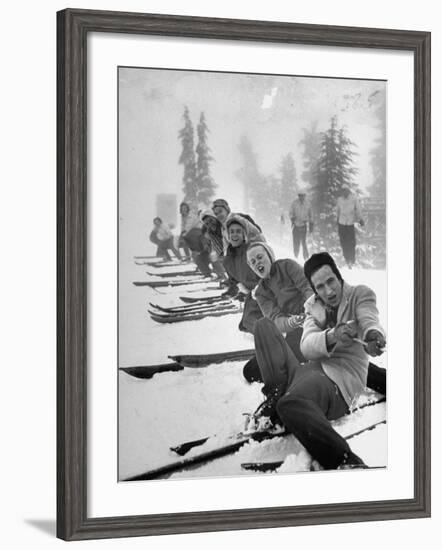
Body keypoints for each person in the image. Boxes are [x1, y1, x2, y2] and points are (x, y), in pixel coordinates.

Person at [252, 252, 386, 469]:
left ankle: (345, 460)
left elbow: (368, 317)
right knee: (263, 327)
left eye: (331, 281)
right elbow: (306, 346)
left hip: (337, 381)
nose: (329, 290)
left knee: (290, 404)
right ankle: (275, 395)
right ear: (314, 289)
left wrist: (372, 334)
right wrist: (331, 334)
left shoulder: (360, 294)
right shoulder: (313, 306)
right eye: (320, 286)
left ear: (339, 275)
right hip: (307, 370)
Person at [243, 242, 313, 381]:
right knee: (252, 370)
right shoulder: (261, 293)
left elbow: (307, 287)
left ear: (269, 256)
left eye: (260, 257)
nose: (257, 263)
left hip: (315, 317)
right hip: (296, 330)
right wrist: (290, 322)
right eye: (253, 262)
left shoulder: (288, 266)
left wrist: (310, 310)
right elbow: (275, 319)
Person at [222, 215, 264, 333]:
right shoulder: (228, 260)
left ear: (244, 234)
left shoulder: (252, 251)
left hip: (265, 292)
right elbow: (233, 278)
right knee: (247, 323)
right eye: (232, 232)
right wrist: (234, 286)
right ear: (227, 235)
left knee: (252, 321)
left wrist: (258, 289)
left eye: (238, 232)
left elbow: (267, 273)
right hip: (252, 295)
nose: (235, 235)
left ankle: (274, 339)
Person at [336, 185, 364, 268]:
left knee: (351, 243)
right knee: (343, 242)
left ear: (348, 191)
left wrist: (360, 219)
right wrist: (337, 220)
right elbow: (338, 210)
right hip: (341, 223)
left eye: (346, 190)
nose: (344, 192)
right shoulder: (339, 200)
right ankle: (347, 259)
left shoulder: (353, 199)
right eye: (343, 190)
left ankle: (352, 260)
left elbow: (358, 209)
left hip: (350, 224)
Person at [200, 209, 227, 280]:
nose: (210, 224)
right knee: (213, 257)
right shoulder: (209, 231)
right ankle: (222, 276)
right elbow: (215, 245)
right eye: (207, 224)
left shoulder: (224, 225)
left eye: (211, 221)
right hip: (217, 249)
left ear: (215, 217)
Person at [289, 189, 313, 261]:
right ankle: (295, 256)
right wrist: (292, 218)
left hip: (303, 225)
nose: (301, 197)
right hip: (296, 225)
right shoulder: (294, 203)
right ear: (298, 196)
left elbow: (311, 214)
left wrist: (311, 223)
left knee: (304, 242)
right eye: (300, 196)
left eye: (303, 196)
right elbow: (290, 212)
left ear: (304, 196)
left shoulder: (308, 204)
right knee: (296, 242)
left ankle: (306, 257)